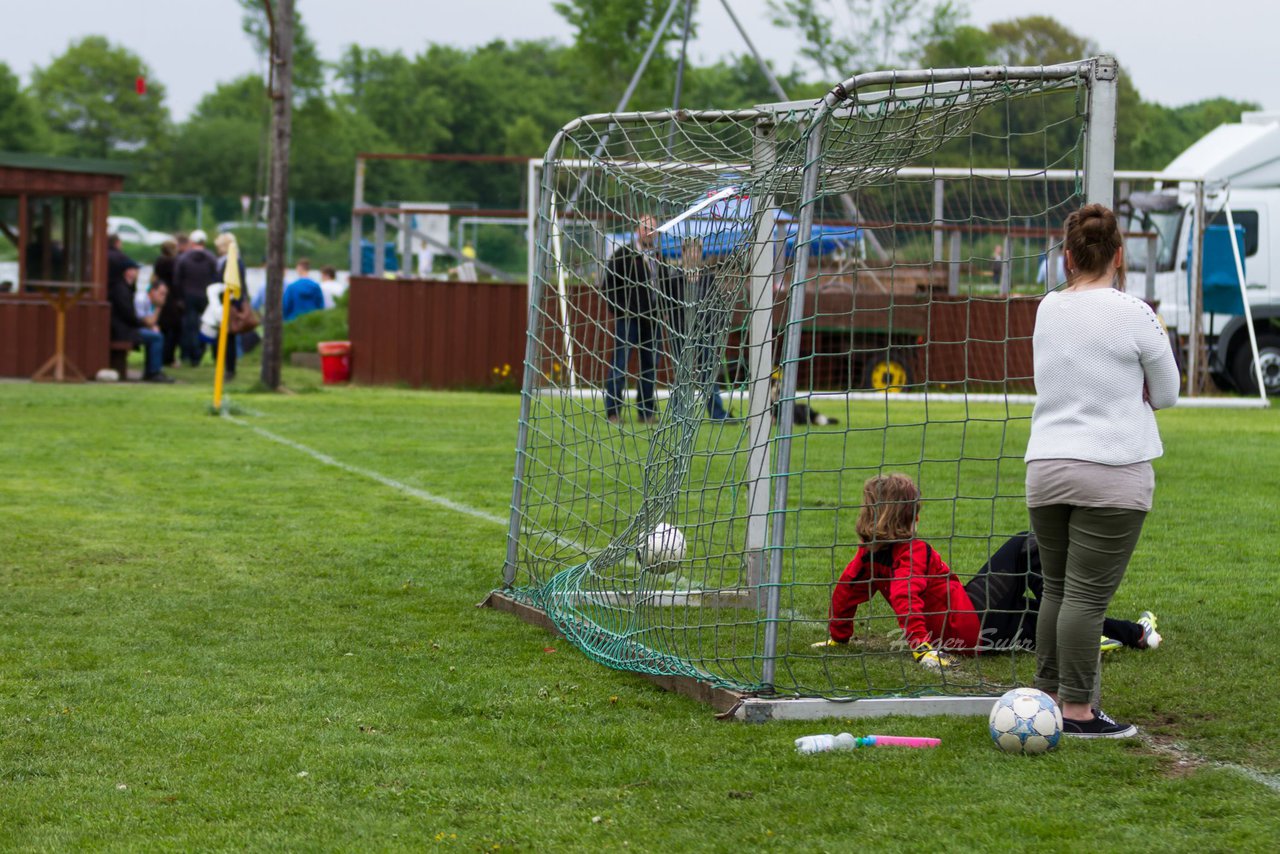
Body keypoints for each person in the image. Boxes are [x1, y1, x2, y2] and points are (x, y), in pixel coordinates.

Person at [1025, 203, 1180, 738]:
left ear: (1066, 257)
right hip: (1112, 470)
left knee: (1057, 590)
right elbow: (1168, 393)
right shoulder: (1134, 312)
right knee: (1087, 597)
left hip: (1045, 466)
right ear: (1120, 255)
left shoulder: (1047, 308)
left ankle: (1043, 698)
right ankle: (1077, 712)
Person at [812, 474, 1158, 667]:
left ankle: (1135, 633)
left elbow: (846, 593)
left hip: (966, 615)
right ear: (912, 515)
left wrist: (838, 635)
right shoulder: (912, 551)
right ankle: (1111, 632)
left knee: (1032, 603)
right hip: (976, 627)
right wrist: (921, 648)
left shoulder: (868, 555)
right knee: (1028, 549)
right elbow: (905, 594)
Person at [601, 214, 671, 424]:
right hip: (629, 319)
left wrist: (664, 310)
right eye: (645, 228)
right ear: (637, 230)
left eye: (653, 229)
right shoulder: (622, 256)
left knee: (650, 365)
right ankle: (613, 411)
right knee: (620, 364)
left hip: (653, 320)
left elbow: (666, 287)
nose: (649, 232)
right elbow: (608, 288)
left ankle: (646, 411)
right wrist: (621, 311)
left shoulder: (660, 258)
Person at [664, 239, 730, 420]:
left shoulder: (708, 278)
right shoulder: (675, 277)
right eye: (690, 250)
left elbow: (716, 305)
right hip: (680, 331)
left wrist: (716, 327)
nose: (694, 254)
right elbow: (667, 305)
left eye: (697, 250)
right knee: (681, 372)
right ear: (684, 252)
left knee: (708, 372)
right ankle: (679, 413)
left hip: (703, 332)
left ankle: (716, 412)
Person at [107, 256, 172, 383]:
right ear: (128, 272)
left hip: (124, 328)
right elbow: (128, 315)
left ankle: (152, 370)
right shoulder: (122, 290)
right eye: (135, 270)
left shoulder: (125, 288)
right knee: (156, 337)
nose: (137, 273)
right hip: (122, 330)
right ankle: (153, 372)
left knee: (154, 335)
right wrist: (143, 325)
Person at [172, 229, 219, 366]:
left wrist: (179, 298)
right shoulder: (211, 258)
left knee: (190, 327)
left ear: (192, 242)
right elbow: (215, 278)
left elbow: (177, 280)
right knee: (206, 326)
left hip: (189, 297)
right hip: (206, 297)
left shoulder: (184, 258)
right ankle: (200, 353)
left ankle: (190, 355)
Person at [152, 239, 183, 367]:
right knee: (174, 330)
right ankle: (169, 357)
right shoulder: (174, 263)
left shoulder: (158, 261)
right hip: (172, 298)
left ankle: (161, 356)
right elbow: (177, 281)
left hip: (161, 295)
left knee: (163, 328)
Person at [282, 257, 325, 321]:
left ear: (299, 268)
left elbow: (285, 306)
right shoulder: (315, 286)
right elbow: (320, 306)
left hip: (294, 321)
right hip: (311, 321)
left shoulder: (292, 287)